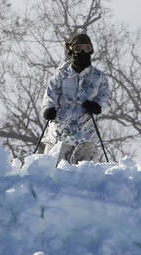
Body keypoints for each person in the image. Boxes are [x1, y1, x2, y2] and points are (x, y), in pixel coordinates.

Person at [39, 32, 111, 163]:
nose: (82, 51)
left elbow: (106, 99)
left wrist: (97, 106)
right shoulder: (61, 75)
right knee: (53, 171)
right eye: (78, 48)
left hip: (87, 135)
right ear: (71, 51)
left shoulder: (99, 77)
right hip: (60, 135)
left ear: (91, 50)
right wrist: (48, 109)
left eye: (86, 48)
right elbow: (50, 95)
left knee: (87, 174)